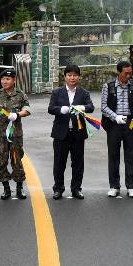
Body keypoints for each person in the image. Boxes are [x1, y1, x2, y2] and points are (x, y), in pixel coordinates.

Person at [47, 65, 95, 200]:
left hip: (78, 133)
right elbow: (50, 108)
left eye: (75, 75)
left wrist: (82, 107)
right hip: (61, 133)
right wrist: (60, 109)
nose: (72, 78)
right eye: (69, 75)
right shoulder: (57, 92)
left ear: (79, 77)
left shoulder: (84, 93)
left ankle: (76, 189)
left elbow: (91, 107)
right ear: (65, 77)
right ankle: (58, 189)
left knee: (78, 163)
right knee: (59, 162)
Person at [101, 60, 133, 198]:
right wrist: (115, 117)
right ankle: (114, 186)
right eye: (126, 73)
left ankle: (131, 186)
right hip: (114, 124)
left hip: (130, 124)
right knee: (114, 155)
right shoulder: (108, 86)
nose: (128, 76)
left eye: (130, 73)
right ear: (119, 72)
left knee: (131, 155)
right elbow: (103, 107)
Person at [0, 67, 31, 200]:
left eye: (7, 79)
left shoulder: (20, 94)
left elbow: (27, 110)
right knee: (1, 160)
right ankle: (6, 188)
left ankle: (19, 188)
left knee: (17, 160)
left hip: (15, 135)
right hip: (0, 135)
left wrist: (17, 114)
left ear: (14, 80)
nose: (4, 81)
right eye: (2, 79)